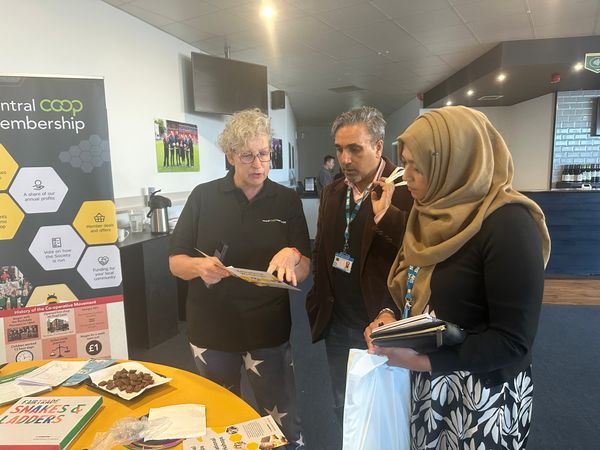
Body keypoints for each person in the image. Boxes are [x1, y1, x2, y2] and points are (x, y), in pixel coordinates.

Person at [364, 106, 551, 449]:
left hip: (480, 396)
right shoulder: (426, 213)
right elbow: (407, 279)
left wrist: (422, 360)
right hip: (428, 384)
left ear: (455, 162)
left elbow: (513, 341)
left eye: (418, 167)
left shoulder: (508, 224)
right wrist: (386, 316)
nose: (408, 178)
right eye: (406, 163)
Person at [169, 108, 311, 449]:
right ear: (230, 155)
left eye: (264, 154)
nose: (258, 164)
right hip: (212, 330)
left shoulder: (286, 200)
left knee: (282, 421)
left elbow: (305, 266)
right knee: (221, 417)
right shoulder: (203, 197)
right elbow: (176, 261)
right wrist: (199, 268)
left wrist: (292, 257)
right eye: (247, 156)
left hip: (267, 330)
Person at [305, 106, 413, 423]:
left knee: (387, 413)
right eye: (339, 150)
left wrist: (387, 215)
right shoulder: (333, 192)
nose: (345, 159)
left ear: (378, 147)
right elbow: (322, 249)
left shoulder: (407, 189)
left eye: (355, 149)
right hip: (336, 319)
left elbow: (416, 252)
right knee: (346, 408)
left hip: (382, 322)